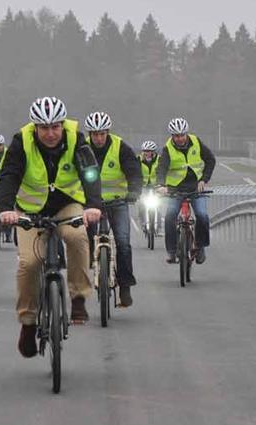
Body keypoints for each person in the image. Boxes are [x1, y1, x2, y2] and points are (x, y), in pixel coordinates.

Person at [0, 96, 102, 358]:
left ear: (62, 124)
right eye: (44, 128)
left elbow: (89, 172)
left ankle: (78, 297)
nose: (51, 134)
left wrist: (92, 204)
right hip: (30, 210)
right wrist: (5, 209)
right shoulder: (22, 142)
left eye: (55, 127)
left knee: (77, 237)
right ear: (35, 128)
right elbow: (9, 175)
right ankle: (28, 323)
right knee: (30, 263)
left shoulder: (76, 137)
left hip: (68, 204)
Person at [83, 111, 142, 307]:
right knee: (85, 238)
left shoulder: (120, 147)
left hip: (117, 202)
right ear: (89, 134)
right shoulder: (81, 149)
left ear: (107, 132)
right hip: (91, 204)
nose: (98, 138)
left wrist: (134, 191)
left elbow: (133, 171)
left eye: (102, 133)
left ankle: (125, 286)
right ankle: (93, 261)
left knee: (123, 243)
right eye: (95, 134)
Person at [155, 117, 216, 265]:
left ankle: (200, 246)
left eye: (182, 135)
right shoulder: (167, 148)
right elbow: (161, 168)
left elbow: (210, 160)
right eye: (176, 136)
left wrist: (204, 180)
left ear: (186, 134)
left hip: (195, 187)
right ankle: (171, 251)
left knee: (202, 216)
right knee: (170, 216)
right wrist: (161, 185)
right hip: (175, 189)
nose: (180, 138)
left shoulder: (196, 142)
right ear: (172, 136)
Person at [137, 139, 159, 225]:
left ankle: (158, 224)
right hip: (143, 186)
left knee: (158, 205)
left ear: (153, 152)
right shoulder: (138, 159)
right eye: (145, 151)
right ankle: (142, 219)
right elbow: (135, 172)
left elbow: (162, 171)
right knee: (142, 202)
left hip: (155, 186)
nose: (147, 153)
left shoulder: (159, 160)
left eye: (149, 151)